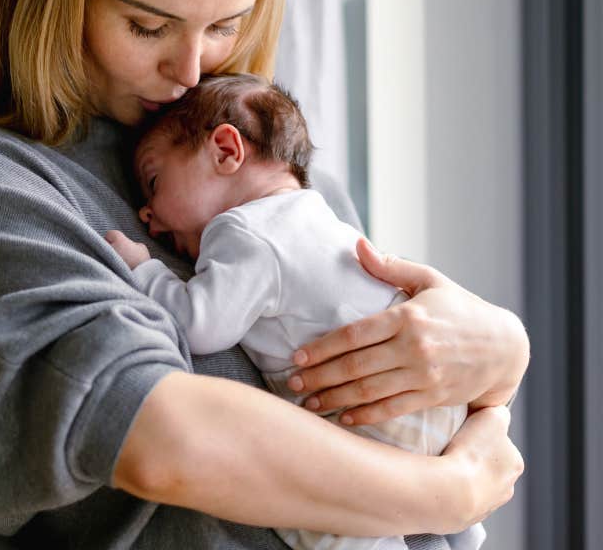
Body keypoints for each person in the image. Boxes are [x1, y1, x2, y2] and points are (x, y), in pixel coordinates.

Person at [0, 0, 527, 549]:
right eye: (148, 25)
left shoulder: (284, 180)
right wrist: (448, 492)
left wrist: (497, 358)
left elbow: (403, 410)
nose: (189, 70)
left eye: (225, 26)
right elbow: (157, 433)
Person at [105, 73, 486, 550]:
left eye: (154, 181)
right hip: (427, 401)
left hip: (368, 416)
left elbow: (197, 325)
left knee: (318, 514)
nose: (146, 214)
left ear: (226, 151)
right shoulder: (317, 213)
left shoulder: (244, 231)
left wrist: (146, 269)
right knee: (441, 511)